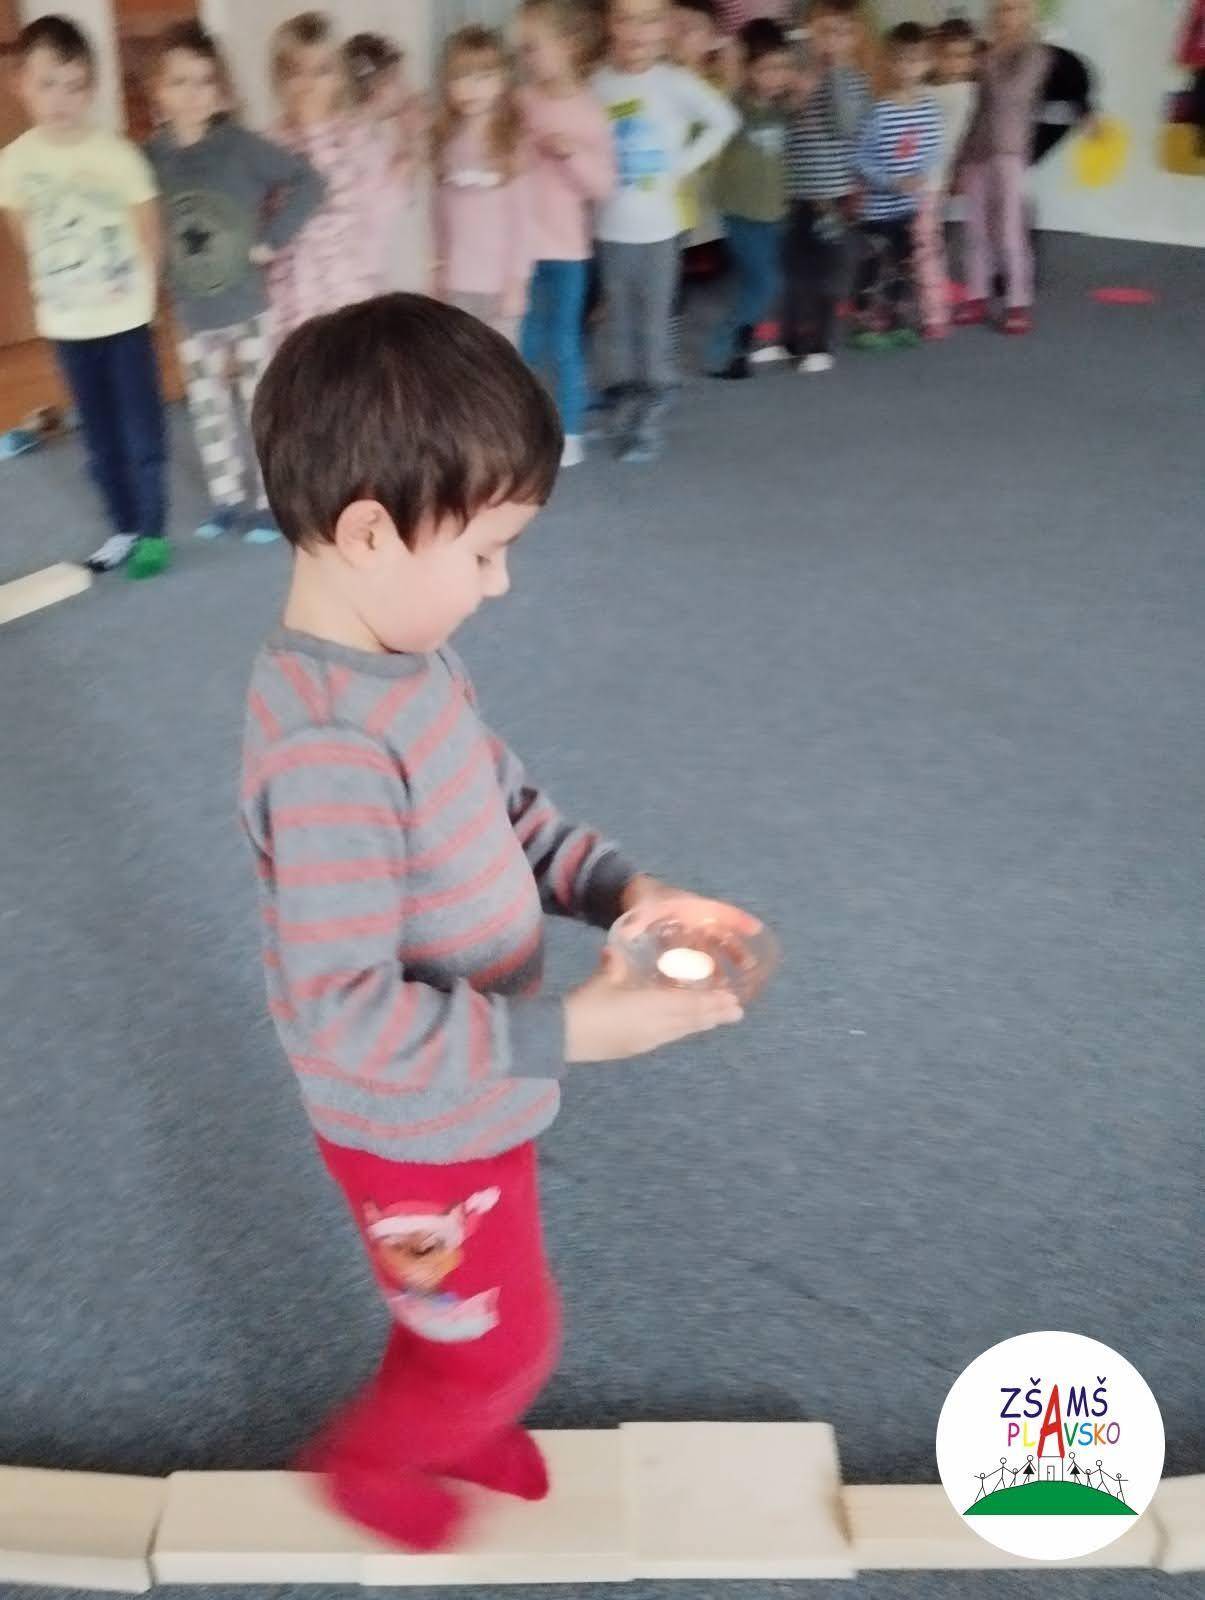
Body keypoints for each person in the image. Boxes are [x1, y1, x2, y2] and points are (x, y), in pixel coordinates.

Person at [241, 292, 747, 1549]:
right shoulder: (327, 749)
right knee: (499, 1338)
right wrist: (569, 1031)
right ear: (368, 531)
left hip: (476, 1094)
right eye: (482, 552)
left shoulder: (410, 666)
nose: (499, 582)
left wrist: (624, 890)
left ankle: (458, 1419)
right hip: (410, 1124)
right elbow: (343, 1015)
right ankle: (374, 1460)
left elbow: (511, 812)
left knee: (465, 1310)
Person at [0, 15, 168, 576]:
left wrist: (144, 301)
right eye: (47, 84)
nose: (60, 100)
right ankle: (123, 527)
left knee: (141, 429)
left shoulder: (116, 155)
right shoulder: (15, 162)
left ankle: (152, 531)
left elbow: (148, 231)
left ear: (91, 89)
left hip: (124, 320)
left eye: (74, 86)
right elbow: (23, 230)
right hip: (68, 325)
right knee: (98, 434)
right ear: (20, 84)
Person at [146, 21, 323, 547]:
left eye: (205, 81)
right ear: (158, 90)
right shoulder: (150, 157)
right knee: (208, 411)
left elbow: (309, 182)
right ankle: (226, 499)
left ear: (221, 90)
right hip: (193, 311)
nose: (193, 94)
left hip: (247, 307)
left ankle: (270, 498)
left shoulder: (242, 147)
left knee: (257, 407)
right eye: (179, 81)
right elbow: (139, 218)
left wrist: (272, 238)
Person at [591, 0, 737, 463]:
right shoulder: (597, 83)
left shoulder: (674, 83)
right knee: (617, 320)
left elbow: (724, 120)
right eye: (626, 18)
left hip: (659, 230)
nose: (637, 31)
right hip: (610, 227)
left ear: (664, 28)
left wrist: (683, 166)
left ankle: (652, 407)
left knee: (652, 322)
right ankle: (625, 394)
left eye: (649, 20)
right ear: (610, 24)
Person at [516, 0, 615, 467]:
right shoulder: (521, 101)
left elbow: (604, 185)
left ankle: (571, 430)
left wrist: (572, 153)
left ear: (569, 47)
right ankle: (522, 431)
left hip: (567, 251)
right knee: (524, 343)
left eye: (533, 47)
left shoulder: (590, 111)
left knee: (564, 343)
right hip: (519, 247)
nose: (525, 57)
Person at [266, 11, 399, 344]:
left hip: (351, 287)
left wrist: (368, 278)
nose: (309, 83)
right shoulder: (269, 143)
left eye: (322, 71)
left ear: (339, 77)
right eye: (297, 72)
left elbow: (378, 215)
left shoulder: (360, 138)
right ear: (280, 78)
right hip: (294, 291)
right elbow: (264, 220)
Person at [781, 0, 869, 376]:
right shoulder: (799, 73)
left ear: (854, 38)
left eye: (841, 32)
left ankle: (821, 343)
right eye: (824, 31)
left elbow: (843, 125)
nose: (831, 40)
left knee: (828, 272)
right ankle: (789, 340)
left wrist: (832, 74)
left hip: (831, 196)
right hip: (794, 191)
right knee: (792, 269)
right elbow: (784, 119)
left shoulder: (852, 81)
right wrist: (799, 91)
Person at [430, 27, 532, 346]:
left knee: (499, 360)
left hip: (499, 284)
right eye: (461, 77)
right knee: (458, 359)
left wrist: (516, 281)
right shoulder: (446, 140)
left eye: (483, 77)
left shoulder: (511, 143)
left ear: (502, 80)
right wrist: (438, 267)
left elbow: (523, 222)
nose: (471, 88)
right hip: (457, 281)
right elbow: (440, 214)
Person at [954, 0, 1048, 336]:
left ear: (1027, 14)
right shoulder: (988, 54)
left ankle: (1017, 302)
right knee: (975, 230)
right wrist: (959, 160)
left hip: (1009, 152)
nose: (1007, 16)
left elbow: (1011, 94)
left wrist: (989, 59)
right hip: (978, 152)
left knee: (1009, 229)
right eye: (1002, 9)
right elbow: (977, 111)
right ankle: (976, 296)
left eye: (1015, 9)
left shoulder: (1035, 55)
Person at [707, 17, 792, 378]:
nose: (777, 77)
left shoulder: (782, 106)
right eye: (767, 69)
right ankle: (725, 348)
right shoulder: (735, 104)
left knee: (758, 282)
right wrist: (732, 61)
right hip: (740, 210)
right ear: (748, 69)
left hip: (773, 210)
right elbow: (723, 92)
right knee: (765, 281)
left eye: (783, 67)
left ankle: (740, 345)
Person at [850, 23, 941, 351]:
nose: (908, 68)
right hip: (877, 210)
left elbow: (932, 150)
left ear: (927, 63)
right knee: (873, 264)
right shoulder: (879, 112)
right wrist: (890, 181)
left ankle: (897, 319)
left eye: (915, 60)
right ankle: (865, 322)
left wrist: (920, 176)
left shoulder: (929, 111)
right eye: (901, 60)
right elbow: (858, 158)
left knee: (903, 265)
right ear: (889, 63)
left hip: (907, 207)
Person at [342, 32, 428, 291]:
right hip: (353, 273)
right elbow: (378, 211)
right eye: (398, 79)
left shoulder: (374, 137)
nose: (406, 88)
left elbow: (405, 199)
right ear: (378, 86)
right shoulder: (355, 139)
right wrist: (410, 152)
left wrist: (408, 140)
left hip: (370, 268)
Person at [917, 16, 977, 341]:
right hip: (912, 176)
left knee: (928, 243)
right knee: (917, 241)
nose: (956, 63)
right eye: (948, 55)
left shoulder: (965, 92)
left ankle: (935, 311)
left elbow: (965, 139)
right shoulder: (926, 89)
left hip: (935, 179)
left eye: (963, 56)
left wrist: (957, 174)